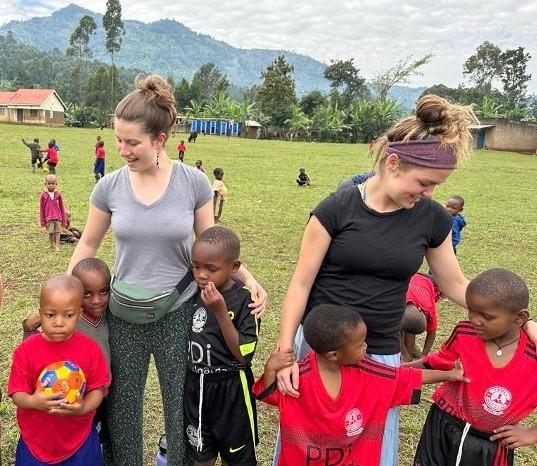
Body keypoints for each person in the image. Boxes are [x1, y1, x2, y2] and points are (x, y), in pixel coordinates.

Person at [66, 74, 266, 466]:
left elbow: (212, 245)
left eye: (132, 142)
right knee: (122, 407)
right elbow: (87, 244)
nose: (122, 150)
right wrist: (63, 294)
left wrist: (249, 279)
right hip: (123, 314)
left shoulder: (193, 183)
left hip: (181, 313)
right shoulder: (109, 187)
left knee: (180, 405)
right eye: (118, 140)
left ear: (159, 139)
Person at [274, 94, 481, 466]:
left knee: (369, 450)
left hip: (381, 351)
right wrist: (286, 352)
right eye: (424, 182)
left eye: (436, 185)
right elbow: (300, 284)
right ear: (393, 162)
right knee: (309, 448)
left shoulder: (432, 219)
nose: (429, 194)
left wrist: (519, 315)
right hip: (320, 352)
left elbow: (455, 285)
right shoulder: (336, 207)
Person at [256, 304, 467, 466]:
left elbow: (410, 377)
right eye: (360, 344)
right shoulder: (296, 377)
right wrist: (270, 369)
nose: (367, 347)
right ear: (334, 355)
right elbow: (271, 394)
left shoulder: (371, 375)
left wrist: (449, 374)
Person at [409, 268, 537, 466]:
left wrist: (532, 434)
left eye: (486, 316)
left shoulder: (532, 356)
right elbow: (437, 363)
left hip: (490, 446)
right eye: (471, 310)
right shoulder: (465, 333)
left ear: (520, 318)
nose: (474, 320)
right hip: (442, 427)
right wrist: (396, 371)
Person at [7, 275, 110, 465]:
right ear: (41, 312)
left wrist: (83, 408)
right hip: (36, 440)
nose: (59, 322)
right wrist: (33, 401)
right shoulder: (26, 351)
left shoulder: (90, 349)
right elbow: (16, 392)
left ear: (79, 314)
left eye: (68, 315)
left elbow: (98, 389)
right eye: (50, 314)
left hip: (80, 438)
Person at [185, 226, 260, 466]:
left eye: (211, 269)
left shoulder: (245, 300)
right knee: (200, 454)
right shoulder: (190, 293)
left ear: (234, 268)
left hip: (231, 389)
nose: (201, 275)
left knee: (236, 458)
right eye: (196, 266)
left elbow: (243, 355)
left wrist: (220, 312)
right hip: (195, 386)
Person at [22, 258, 111, 364]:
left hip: (104, 379)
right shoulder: (70, 321)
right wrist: (29, 329)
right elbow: (35, 350)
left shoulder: (111, 314)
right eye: (87, 294)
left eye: (103, 291)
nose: (96, 301)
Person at [401, 273, 441, 362]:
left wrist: (423, 355)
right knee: (406, 327)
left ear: (422, 311)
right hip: (411, 279)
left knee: (411, 326)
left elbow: (432, 334)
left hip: (430, 282)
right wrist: (404, 353)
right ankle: (407, 351)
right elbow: (394, 332)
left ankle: (410, 349)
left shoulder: (429, 309)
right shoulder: (396, 304)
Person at [39, 174, 67, 252]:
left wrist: (64, 221)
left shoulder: (58, 194)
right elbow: (41, 209)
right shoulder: (43, 195)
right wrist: (42, 223)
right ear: (45, 184)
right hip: (48, 218)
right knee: (50, 232)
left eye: (53, 183)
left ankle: (57, 245)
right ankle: (51, 244)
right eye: (49, 183)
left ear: (56, 184)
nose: (51, 185)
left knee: (58, 232)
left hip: (58, 217)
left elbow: (62, 207)